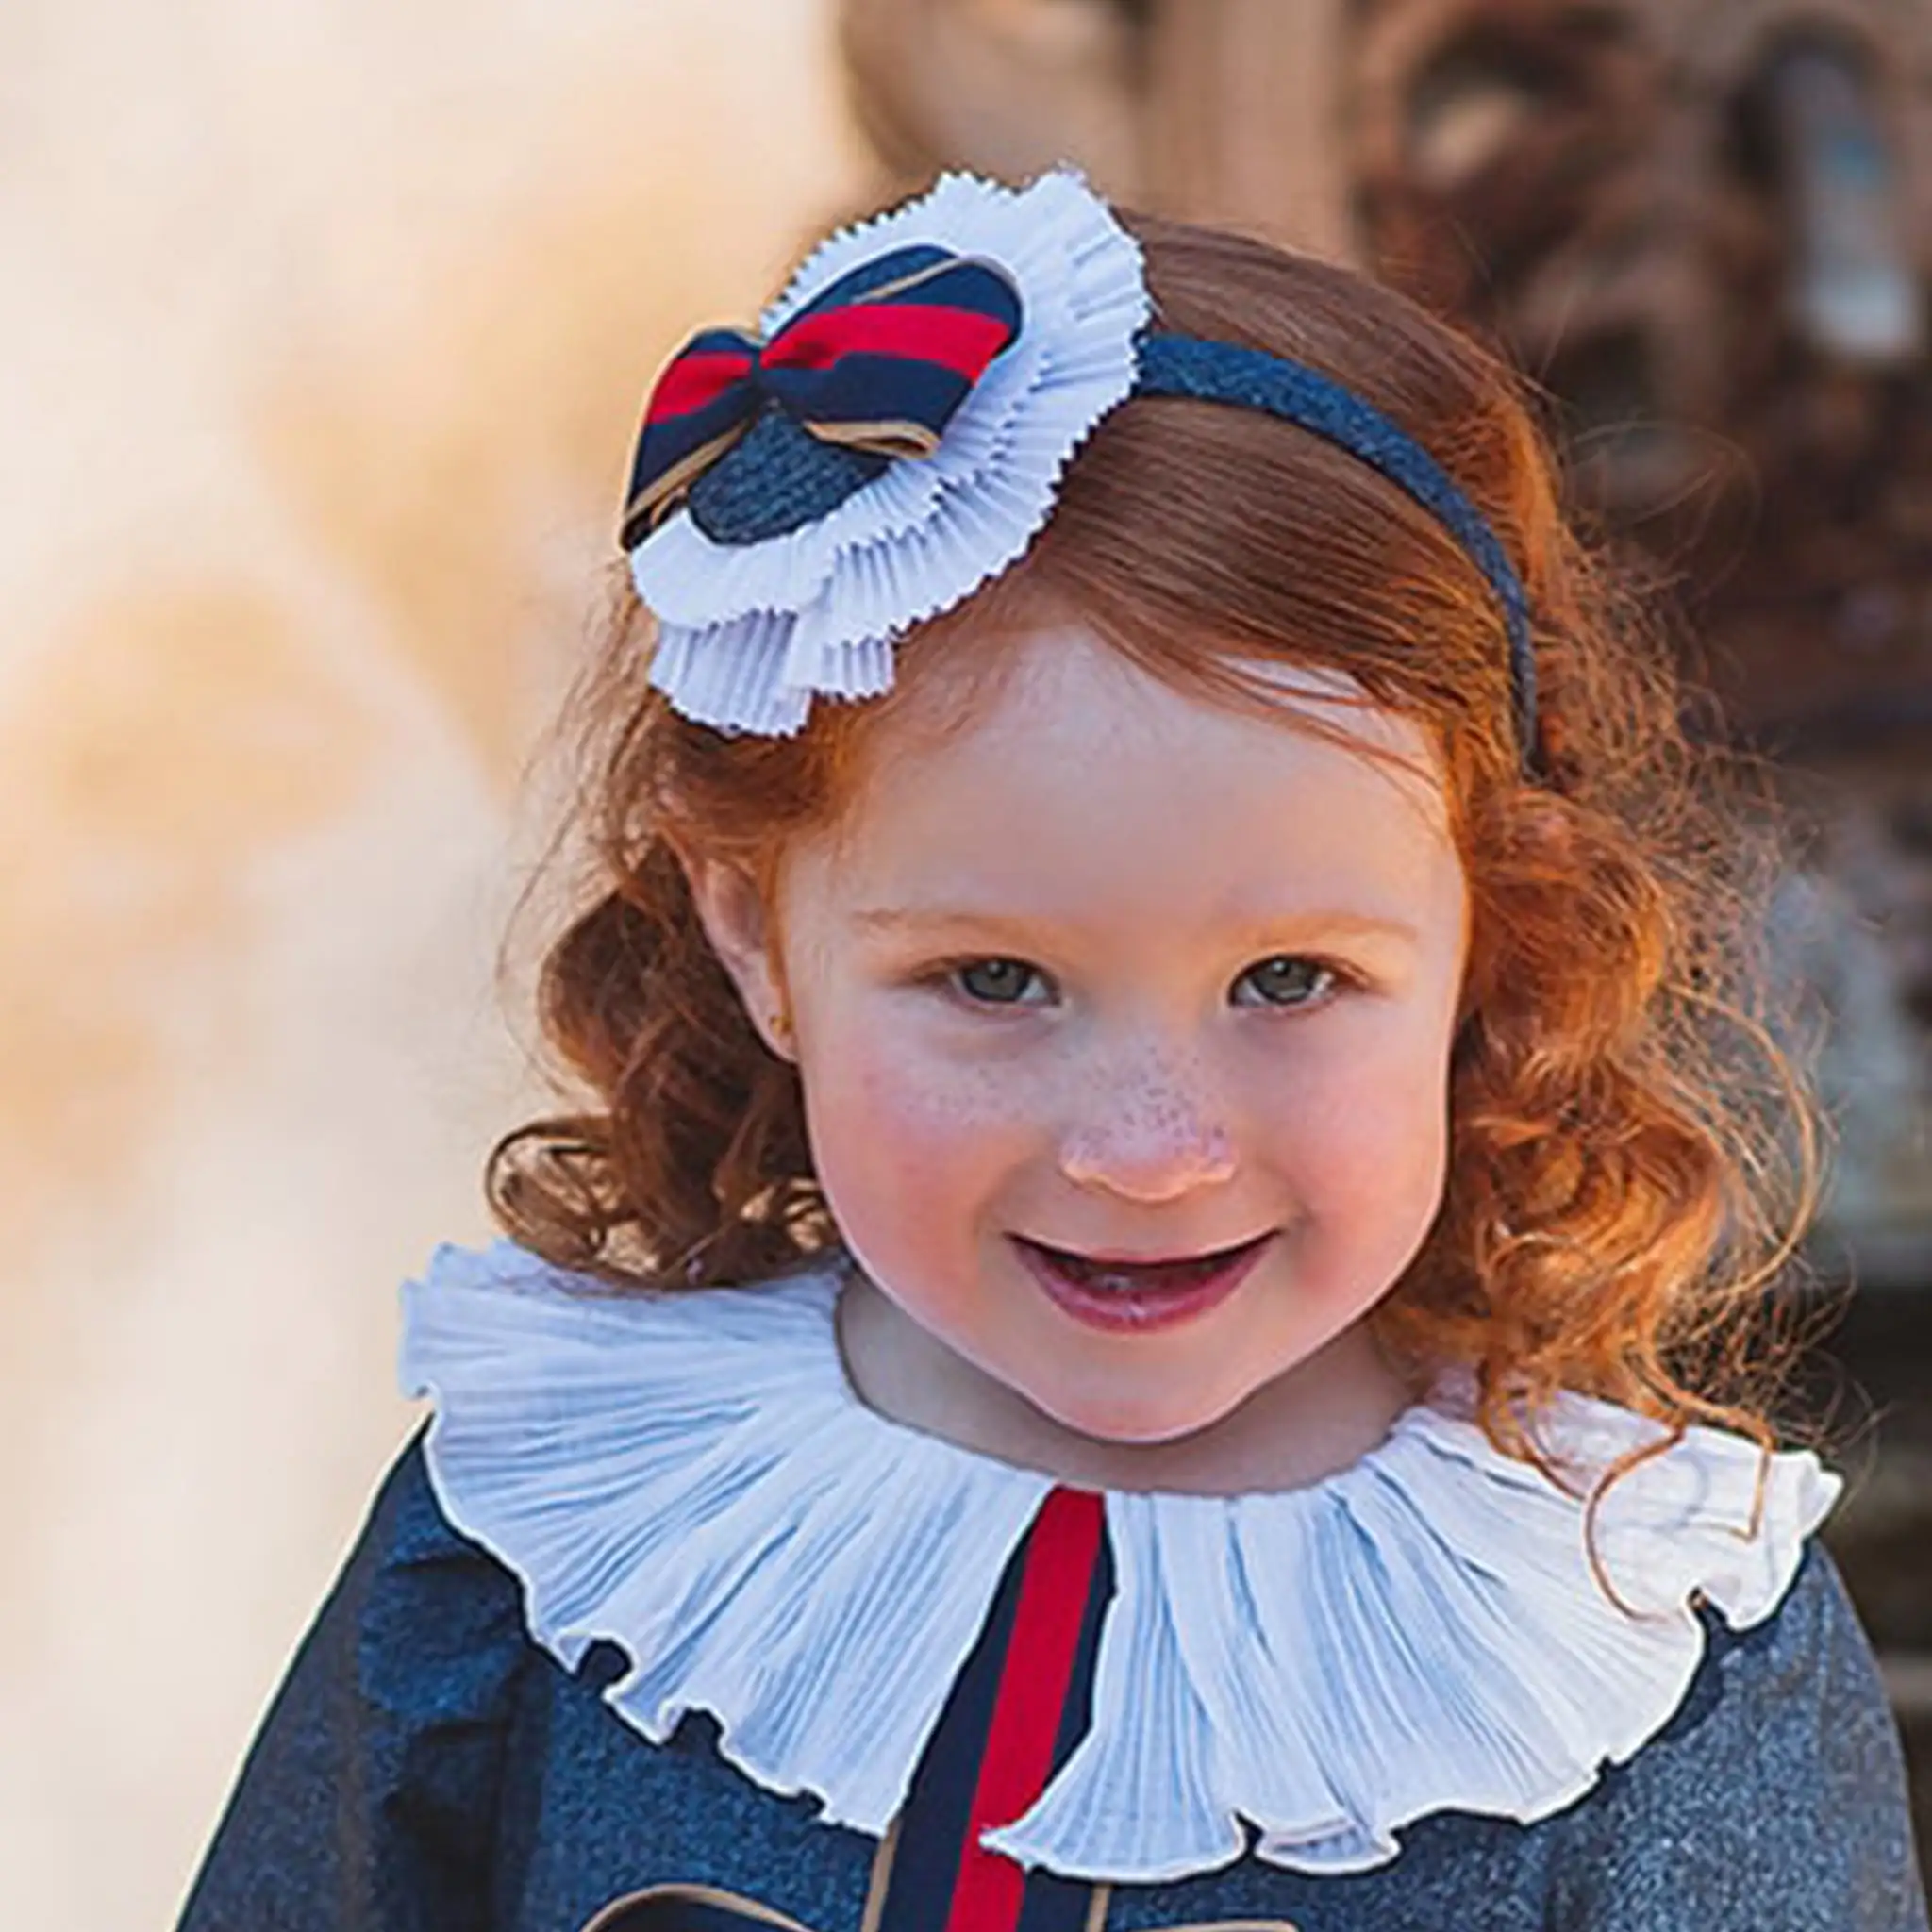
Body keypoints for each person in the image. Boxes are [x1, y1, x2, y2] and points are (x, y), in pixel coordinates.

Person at [176, 169, 1929, 1932]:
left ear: (1491, 939)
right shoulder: (539, 1539)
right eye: (996, 979)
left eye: (1292, 980)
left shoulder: (1634, 1649)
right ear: (751, 934)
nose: (1148, 1148)